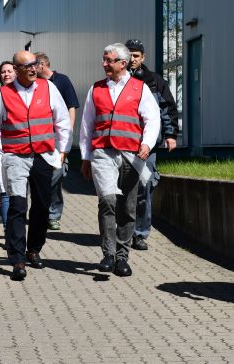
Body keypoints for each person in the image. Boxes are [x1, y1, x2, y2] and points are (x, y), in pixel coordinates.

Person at [0, 51, 71, 281]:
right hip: (15, 156)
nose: (33, 69)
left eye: (35, 65)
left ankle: (34, 249)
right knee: (17, 206)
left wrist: (63, 150)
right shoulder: (2, 95)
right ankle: (17, 257)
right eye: (28, 66)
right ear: (17, 69)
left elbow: (61, 120)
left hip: (44, 155)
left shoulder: (48, 88)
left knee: (42, 205)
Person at [79, 43, 160, 277]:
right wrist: (86, 157)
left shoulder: (140, 88)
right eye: (104, 59)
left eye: (109, 60)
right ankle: (108, 254)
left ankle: (122, 257)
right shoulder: (96, 89)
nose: (104, 64)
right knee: (107, 201)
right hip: (103, 152)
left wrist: (147, 143)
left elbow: (152, 119)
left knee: (127, 206)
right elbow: (86, 126)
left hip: (131, 155)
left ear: (122, 64)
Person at [125, 39, 179, 251]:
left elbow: (167, 108)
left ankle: (140, 233)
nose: (132, 59)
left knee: (144, 188)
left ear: (143, 58)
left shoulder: (155, 81)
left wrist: (171, 134)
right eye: (129, 55)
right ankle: (122, 230)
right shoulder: (117, 80)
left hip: (148, 145)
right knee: (120, 189)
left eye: (136, 55)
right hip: (122, 143)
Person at [35, 52, 80, 231]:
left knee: (55, 178)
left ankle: (53, 215)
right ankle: (41, 212)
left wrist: (68, 134)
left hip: (58, 139)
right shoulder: (35, 84)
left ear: (42, 64)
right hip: (41, 139)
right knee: (41, 179)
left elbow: (71, 107)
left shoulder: (62, 81)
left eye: (34, 65)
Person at [0, 61, 16, 230]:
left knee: (18, 194)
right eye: (3, 72)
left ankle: (16, 229)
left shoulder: (24, 93)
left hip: (20, 150)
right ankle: (9, 233)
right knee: (5, 192)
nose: (6, 74)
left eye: (9, 71)